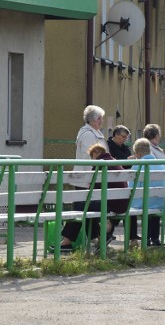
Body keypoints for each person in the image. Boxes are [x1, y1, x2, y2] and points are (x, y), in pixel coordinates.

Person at [55, 143, 127, 252]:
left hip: (111, 204)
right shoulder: (113, 162)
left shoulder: (101, 165)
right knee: (88, 207)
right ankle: (100, 238)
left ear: (96, 153)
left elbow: (93, 190)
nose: (91, 160)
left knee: (80, 205)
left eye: (91, 156)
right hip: (122, 203)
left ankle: (67, 241)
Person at [56, 105, 108, 252]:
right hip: (88, 179)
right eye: (100, 118)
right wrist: (93, 178)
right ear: (93, 120)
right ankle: (69, 240)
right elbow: (90, 157)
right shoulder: (88, 135)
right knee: (82, 209)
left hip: (89, 178)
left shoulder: (92, 133)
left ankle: (92, 238)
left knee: (85, 208)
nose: (101, 121)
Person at [129, 138, 165, 247]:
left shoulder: (137, 165)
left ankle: (144, 238)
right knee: (153, 204)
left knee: (138, 203)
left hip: (142, 203)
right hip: (159, 201)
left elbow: (132, 188)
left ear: (139, 153)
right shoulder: (162, 164)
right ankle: (155, 238)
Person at [107, 124, 141, 245]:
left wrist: (128, 160)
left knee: (128, 206)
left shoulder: (124, 147)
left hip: (123, 183)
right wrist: (127, 160)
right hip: (112, 183)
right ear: (115, 135)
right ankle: (110, 233)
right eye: (123, 136)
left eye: (126, 137)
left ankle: (132, 238)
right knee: (124, 206)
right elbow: (118, 162)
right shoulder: (108, 146)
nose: (125, 139)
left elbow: (127, 163)